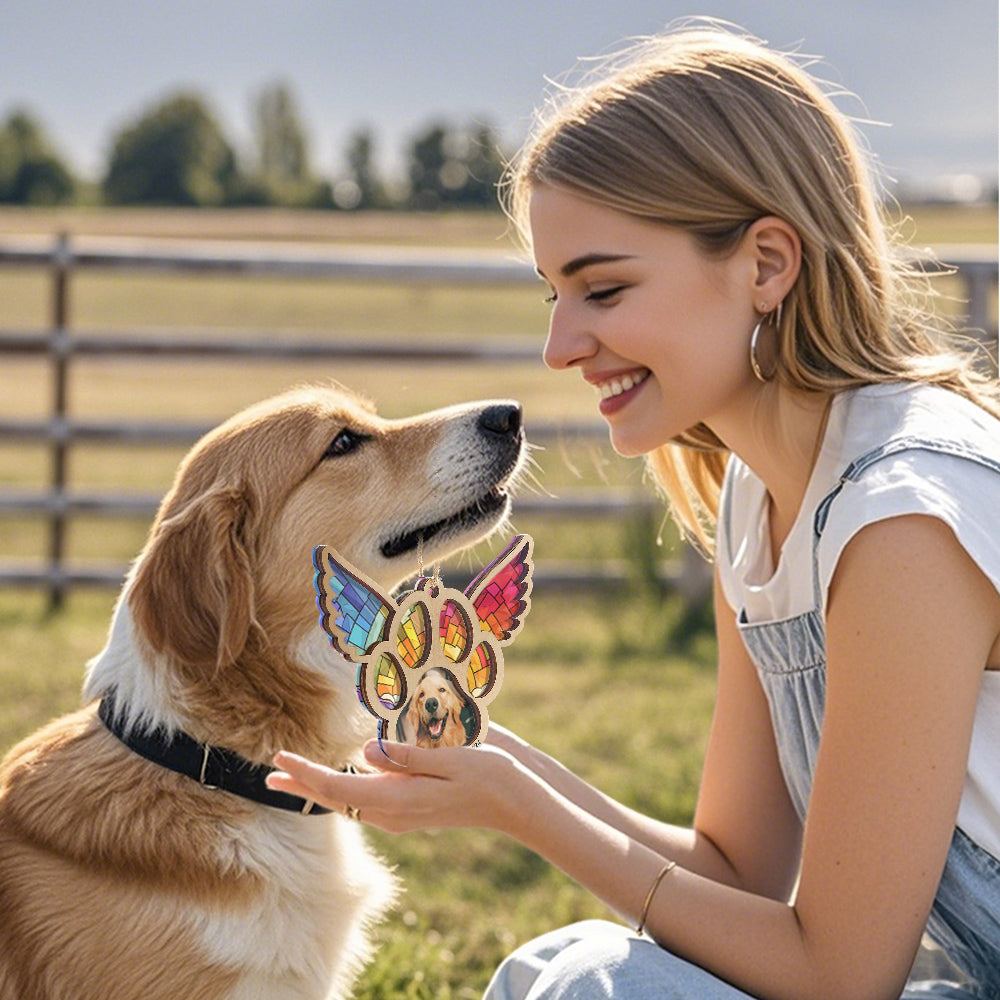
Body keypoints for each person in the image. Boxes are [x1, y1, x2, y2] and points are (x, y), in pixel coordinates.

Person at [267, 23, 1000, 1000]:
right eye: (553, 296)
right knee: (559, 967)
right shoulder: (759, 500)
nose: (562, 347)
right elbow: (737, 872)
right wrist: (500, 767)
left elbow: (837, 974)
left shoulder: (900, 517)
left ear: (766, 264)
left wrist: (529, 811)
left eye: (602, 288)